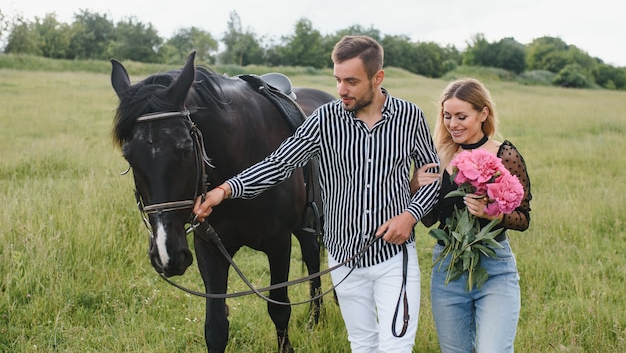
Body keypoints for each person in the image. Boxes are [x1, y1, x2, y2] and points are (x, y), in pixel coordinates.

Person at [193, 35, 440, 352]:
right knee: (362, 344)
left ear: (378, 77)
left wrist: (410, 215)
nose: (341, 90)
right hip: (343, 257)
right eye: (337, 79)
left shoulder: (410, 117)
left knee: (396, 347)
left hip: (393, 257)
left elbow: (431, 175)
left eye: (351, 81)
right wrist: (224, 191)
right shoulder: (324, 120)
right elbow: (279, 163)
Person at [411, 78, 532, 353]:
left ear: (483, 113)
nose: (453, 124)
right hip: (448, 267)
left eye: (461, 116)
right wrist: (416, 184)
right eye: (447, 116)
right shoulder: (439, 155)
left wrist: (493, 215)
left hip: (495, 267)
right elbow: (429, 219)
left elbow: (523, 217)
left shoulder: (505, 155)